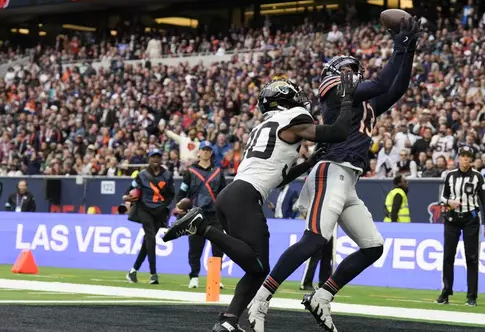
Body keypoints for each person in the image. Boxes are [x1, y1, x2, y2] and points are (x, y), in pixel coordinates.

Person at [247, 17, 420, 332]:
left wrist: (409, 49)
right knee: (314, 239)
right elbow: (382, 84)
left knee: (373, 246)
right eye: (351, 69)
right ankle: (261, 298)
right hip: (331, 170)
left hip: (347, 178)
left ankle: (323, 296)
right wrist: (399, 46)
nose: (356, 74)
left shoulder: (361, 102)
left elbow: (397, 87)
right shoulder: (334, 90)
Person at [161, 74, 356, 332]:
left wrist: (308, 163)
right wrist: (347, 100)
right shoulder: (294, 118)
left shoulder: (266, 126)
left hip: (233, 195)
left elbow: (279, 178)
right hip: (244, 196)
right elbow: (338, 132)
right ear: (286, 98)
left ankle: (228, 320)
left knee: (256, 271)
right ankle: (202, 227)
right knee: (259, 265)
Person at [437, 146, 485, 306]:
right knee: (448, 256)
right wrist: (449, 202)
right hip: (452, 219)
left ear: (472, 160)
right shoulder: (450, 176)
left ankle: (472, 296)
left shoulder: (478, 177)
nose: (465, 159)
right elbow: (442, 196)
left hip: (471, 219)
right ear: (458, 158)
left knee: (472, 258)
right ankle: (446, 292)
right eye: (463, 156)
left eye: (468, 157)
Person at [172, 140, 227, 289]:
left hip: (214, 215)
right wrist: (179, 206)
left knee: (218, 247)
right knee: (195, 247)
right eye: (204, 149)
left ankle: (215, 277)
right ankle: (194, 276)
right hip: (196, 214)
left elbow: (224, 193)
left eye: (209, 150)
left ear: (211, 153)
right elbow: (182, 192)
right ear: (199, 152)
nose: (206, 152)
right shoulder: (190, 172)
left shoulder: (218, 172)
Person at [123, 148, 175, 285]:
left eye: (158, 157)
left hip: (159, 211)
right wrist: (127, 197)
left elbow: (171, 195)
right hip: (144, 209)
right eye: (153, 157)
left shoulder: (168, 175)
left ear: (161, 159)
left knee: (148, 242)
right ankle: (153, 273)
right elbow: (129, 190)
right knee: (151, 237)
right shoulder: (141, 175)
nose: (155, 160)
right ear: (149, 159)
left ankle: (133, 271)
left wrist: (163, 207)